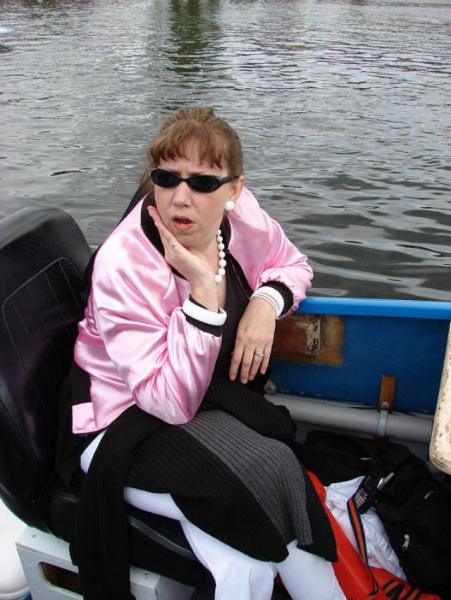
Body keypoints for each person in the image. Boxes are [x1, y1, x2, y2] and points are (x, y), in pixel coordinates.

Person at [57, 107, 346, 600]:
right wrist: (203, 296)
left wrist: (265, 302)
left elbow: (292, 264)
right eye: (166, 178)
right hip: (120, 421)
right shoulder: (124, 262)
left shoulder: (241, 215)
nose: (180, 196)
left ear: (234, 189)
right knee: (267, 473)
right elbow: (167, 403)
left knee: (253, 532)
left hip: (198, 396)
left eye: (204, 182)